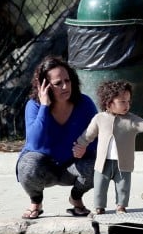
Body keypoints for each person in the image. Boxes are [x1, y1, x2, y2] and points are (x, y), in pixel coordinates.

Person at [16, 55, 98, 219]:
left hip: (73, 167)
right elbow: (34, 142)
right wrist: (44, 107)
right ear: (44, 86)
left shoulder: (85, 103)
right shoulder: (34, 106)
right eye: (58, 83)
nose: (65, 86)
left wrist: (86, 147)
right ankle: (36, 202)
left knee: (101, 165)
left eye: (67, 81)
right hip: (45, 168)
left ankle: (76, 199)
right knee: (28, 163)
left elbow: (99, 136)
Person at [73, 80, 143, 215]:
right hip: (103, 163)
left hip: (123, 163)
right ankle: (99, 207)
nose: (127, 105)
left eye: (128, 101)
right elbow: (88, 135)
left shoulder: (131, 120)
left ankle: (121, 206)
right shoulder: (99, 118)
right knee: (100, 186)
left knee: (123, 186)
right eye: (122, 102)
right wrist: (80, 146)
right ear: (108, 103)